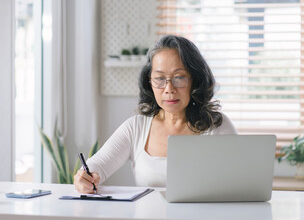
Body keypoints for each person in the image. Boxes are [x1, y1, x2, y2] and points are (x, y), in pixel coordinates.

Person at [74, 35, 237, 193]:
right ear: (149, 82)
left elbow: (240, 183)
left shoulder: (217, 126)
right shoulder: (136, 127)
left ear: (195, 80)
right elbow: (96, 166)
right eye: (159, 78)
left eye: (179, 77)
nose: (169, 89)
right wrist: (84, 179)